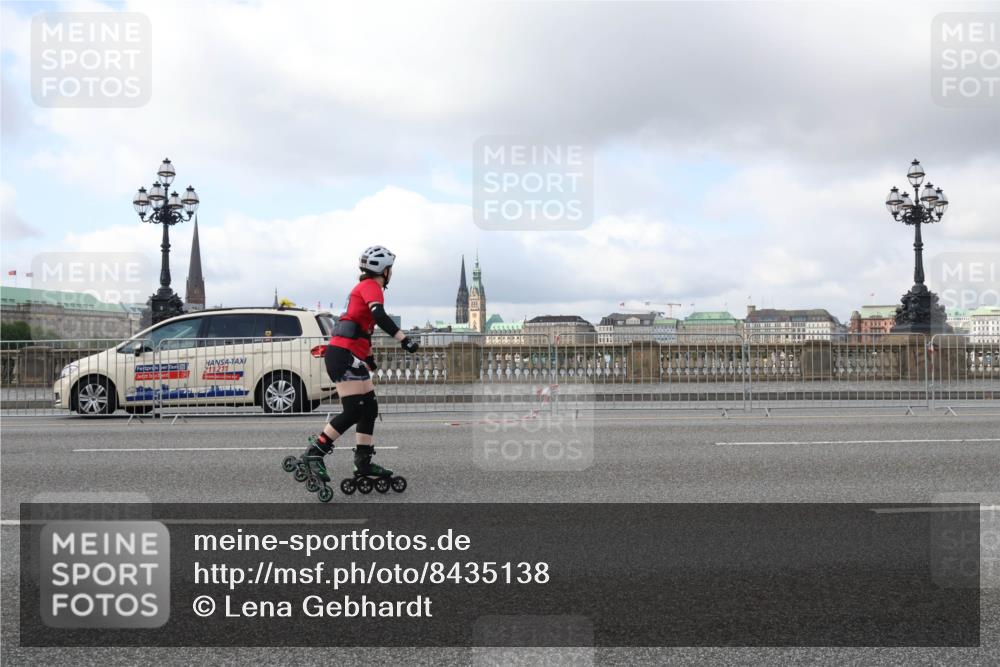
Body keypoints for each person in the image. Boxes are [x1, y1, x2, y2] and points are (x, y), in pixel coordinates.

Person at [299, 245, 419, 491]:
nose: (391, 273)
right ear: (383, 271)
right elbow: (381, 316)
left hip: (351, 355)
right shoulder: (371, 287)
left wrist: (371, 357)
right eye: (390, 269)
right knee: (354, 410)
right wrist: (404, 339)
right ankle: (315, 451)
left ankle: (363, 461)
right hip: (342, 355)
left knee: (370, 408)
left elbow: (363, 329)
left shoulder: (364, 288)